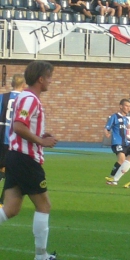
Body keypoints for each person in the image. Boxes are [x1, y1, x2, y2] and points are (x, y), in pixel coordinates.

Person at [0, 61, 58, 260]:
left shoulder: (26, 97)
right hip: (26, 159)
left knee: (10, 209)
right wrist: (41, 140)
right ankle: (41, 256)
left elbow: (23, 126)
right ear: (41, 79)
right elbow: (19, 126)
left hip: (16, 157)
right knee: (44, 206)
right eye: (49, 77)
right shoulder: (30, 98)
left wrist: (40, 134)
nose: (51, 80)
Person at [0, 74, 27, 206]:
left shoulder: (2, 97)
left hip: (1, 138)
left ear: (11, 84)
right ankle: (1, 201)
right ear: (23, 85)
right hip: (14, 140)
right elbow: (24, 117)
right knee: (10, 171)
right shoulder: (24, 100)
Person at [104, 98, 130, 184]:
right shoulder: (114, 116)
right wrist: (106, 133)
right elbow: (107, 127)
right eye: (126, 106)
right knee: (122, 159)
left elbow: (124, 134)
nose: (128, 108)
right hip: (117, 143)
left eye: (129, 106)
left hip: (125, 143)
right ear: (121, 106)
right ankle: (112, 178)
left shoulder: (126, 119)